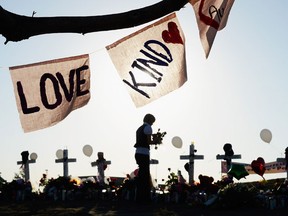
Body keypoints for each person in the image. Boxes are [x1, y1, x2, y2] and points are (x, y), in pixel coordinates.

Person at [134, 113, 161, 204]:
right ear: (150, 121)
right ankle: (144, 198)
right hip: (144, 153)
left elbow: (144, 138)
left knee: (142, 174)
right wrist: (157, 141)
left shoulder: (139, 128)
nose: (153, 124)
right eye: (152, 122)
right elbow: (149, 141)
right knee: (145, 176)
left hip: (138, 153)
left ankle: (139, 197)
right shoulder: (148, 127)